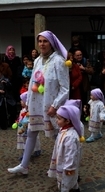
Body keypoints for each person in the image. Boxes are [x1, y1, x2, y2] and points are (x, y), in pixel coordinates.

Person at [7, 30, 69, 175]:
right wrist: (28, 101)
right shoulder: (37, 60)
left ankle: (67, 166)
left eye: (45, 41)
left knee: (57, 136)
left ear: (51, 43)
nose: (42, 44)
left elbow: (65, 88)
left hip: (51, 106)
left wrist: (55, 105)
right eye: (40, 41)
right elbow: (32, 83)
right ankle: (24, 166)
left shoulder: (59, 61)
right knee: (31, 132)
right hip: (36, 104)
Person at [47, 105, 81, 192]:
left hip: (67, 165)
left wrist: (68, 167)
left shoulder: (70, 136)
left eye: (59, 119)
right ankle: (76, 189)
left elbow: (71, 153)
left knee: (65, 181)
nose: (56, 121)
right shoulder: (63, 130)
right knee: (72, 179)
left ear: (67, 121)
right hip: (61, 160)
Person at [16, 92, 41, 160]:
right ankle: (32, 151)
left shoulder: (29, 111)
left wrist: (22, 127)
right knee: (25, 140)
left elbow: (26, 120)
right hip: (22, 127)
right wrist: (18, 121)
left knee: (28, 140)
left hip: (26, 128)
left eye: (22, 100)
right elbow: (21, 118)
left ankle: (28, 153)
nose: (20, 102)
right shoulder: (23, 110)